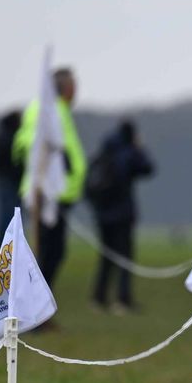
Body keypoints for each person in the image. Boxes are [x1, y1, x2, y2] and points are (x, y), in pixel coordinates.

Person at [13, 66, 88, 299]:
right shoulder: (44, 109)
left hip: (60, 193)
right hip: (46, 194)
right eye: (74, 85)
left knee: (55, 253)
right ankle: (35, 306)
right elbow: (27, 142)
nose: (76, 91)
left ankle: (41, 305)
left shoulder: (60, 110)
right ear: (65, 88)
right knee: (46, 253)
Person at [84, 119, 155, 313]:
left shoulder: (102, 154)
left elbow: (87, 185)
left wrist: (96, 208)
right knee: (125, 258)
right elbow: (148, 168)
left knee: (106, 257)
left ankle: (98, 298)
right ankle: (123, 299)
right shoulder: (128, 153)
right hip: (122, 214)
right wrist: (139, 147)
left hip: (102, 216)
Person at [0, 108, 24, 252]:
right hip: (10, 183)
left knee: (7, 214)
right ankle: (5, 244)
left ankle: (5, 244)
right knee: (9, 215)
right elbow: (11, 162)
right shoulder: (9, 138)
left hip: (5, 182)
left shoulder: (0, 136)